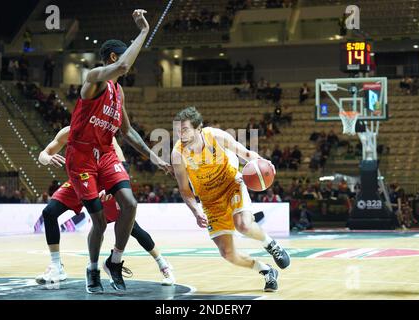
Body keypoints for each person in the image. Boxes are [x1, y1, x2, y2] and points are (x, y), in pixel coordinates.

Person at [64, 10, 171, 293]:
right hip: (81, 157)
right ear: (113, 57)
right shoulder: (95, 78)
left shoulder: (118, 93)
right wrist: (143, 31)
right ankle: (92, 269)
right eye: (126, 58)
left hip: (105, 153)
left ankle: (115, 260)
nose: (130, 65)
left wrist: (153, 155)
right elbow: (124, 66)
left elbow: (127, 131)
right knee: (99, 222)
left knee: (131, 205)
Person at [36, 126, 175, 286]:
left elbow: (122, 165)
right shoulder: (69, 131)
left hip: (103, 183)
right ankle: (56, 267)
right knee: (49, 212)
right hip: (80, 178)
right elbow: (43, 154)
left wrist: (112, 187)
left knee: (132, 228)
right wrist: (47, 158)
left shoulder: (104, 132)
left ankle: (163, 264)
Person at [171, 106, 290, 292]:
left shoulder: (215, 136)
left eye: (184, 129)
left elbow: (247, 155)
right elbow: (185, 189)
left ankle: (271, 244)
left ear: (198, 128)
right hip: (210, 201)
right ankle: (266, 270)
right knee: (227, 253)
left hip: (231, 184)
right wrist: (196, 210)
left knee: (243, 224)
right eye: (178, 130)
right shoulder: (177, 154)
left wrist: (264, 164)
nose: (180, 134)